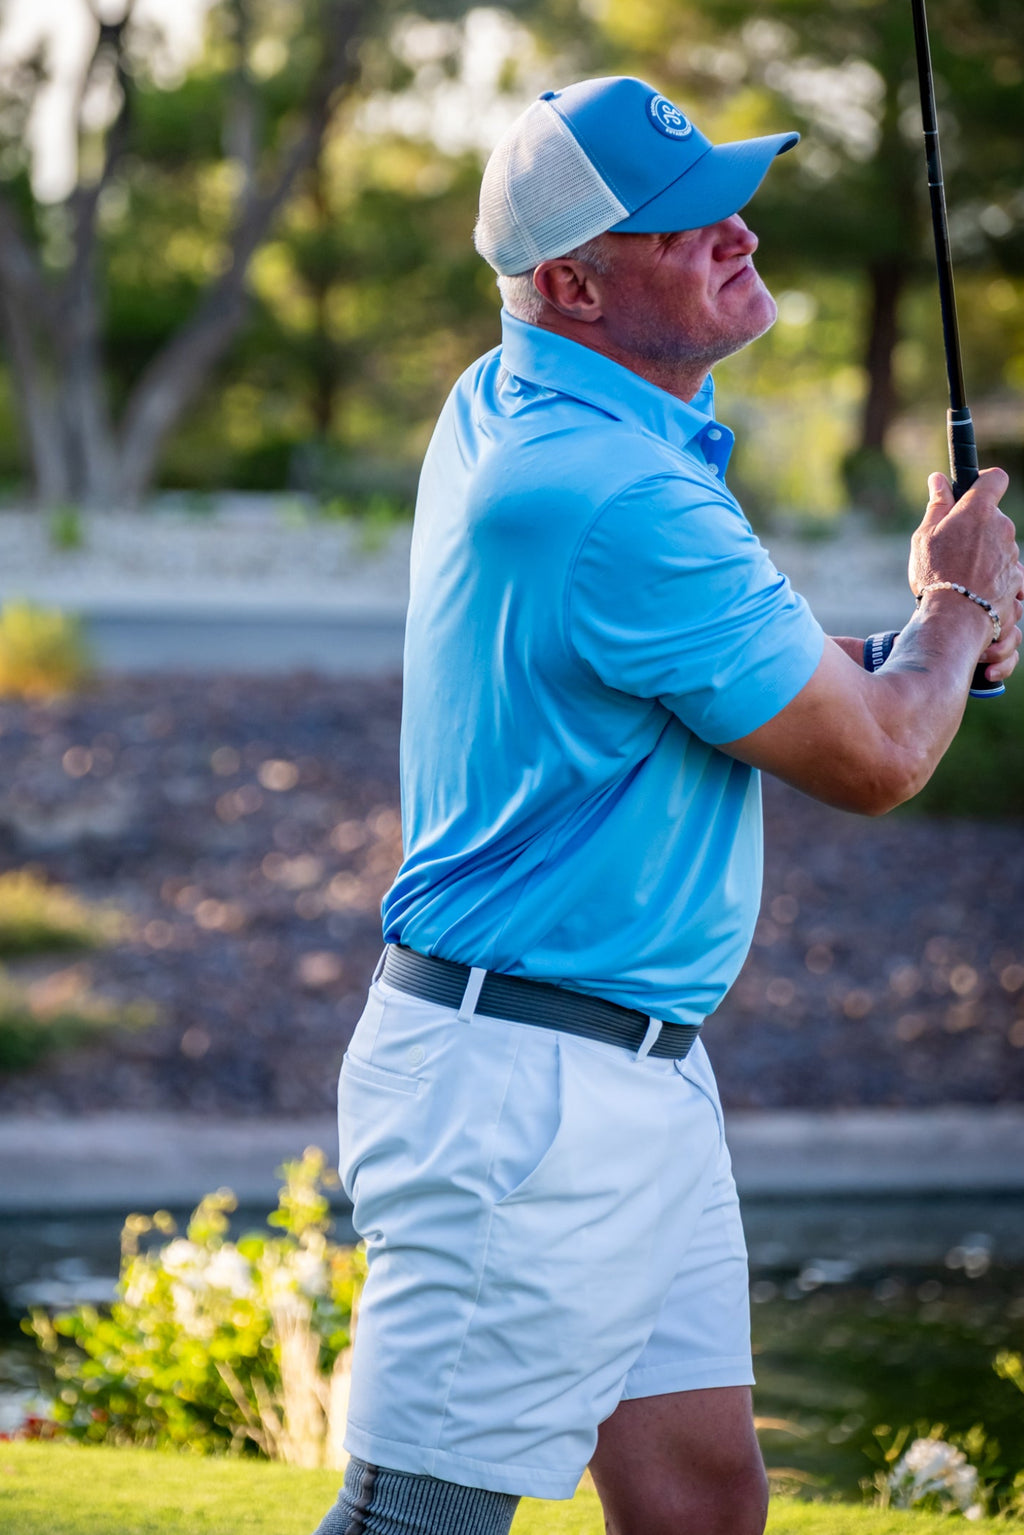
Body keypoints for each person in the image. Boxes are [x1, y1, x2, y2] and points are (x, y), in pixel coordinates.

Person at [313, 75, 1022, 1535]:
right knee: (417, 1526)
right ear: (572, 282)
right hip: (525, 1094)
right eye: (682, 222)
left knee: (702, 1504)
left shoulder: (525, 395)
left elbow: (741, 665)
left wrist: (920, 648)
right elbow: (876, 760)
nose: (737, 230)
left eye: (729, 196)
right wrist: (954, 609)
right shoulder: (612, 490)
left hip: (628, 1074)